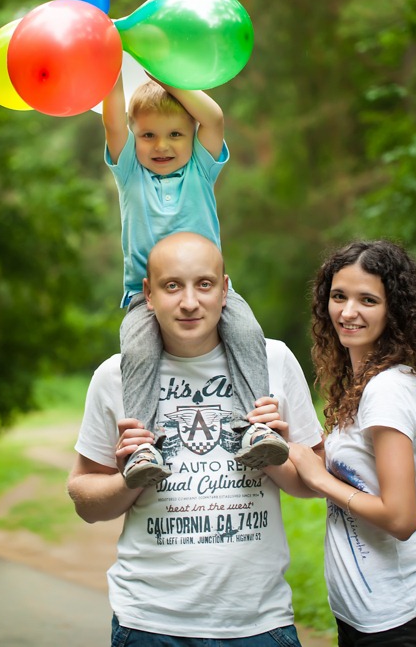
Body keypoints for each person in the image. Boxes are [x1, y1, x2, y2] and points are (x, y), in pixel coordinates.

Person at [68, 231, 324, 646]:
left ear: (225, 290)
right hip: (149, 624)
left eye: (204, 284)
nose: (190, 302)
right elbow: (85, 502)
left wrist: (276, 455)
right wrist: (126, 479)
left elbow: (315, 484)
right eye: (173, 286)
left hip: (259, 623)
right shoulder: (114, 376)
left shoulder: (271, 360)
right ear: (148, 295)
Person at [102, 75, 289, 488]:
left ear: (192, 137)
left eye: (175, 134)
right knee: (138, 350)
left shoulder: (201, 170)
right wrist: (111, 62)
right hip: (144, 297)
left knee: (246, 330)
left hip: (212, 291)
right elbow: (113, 121)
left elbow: (215, 116)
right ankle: (142, 447)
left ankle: (256, 426)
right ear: (134, 138)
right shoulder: (130, 172)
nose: (162, 145)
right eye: (148, 135)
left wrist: (165, 73)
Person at [289, 239, 416, 646]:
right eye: (339, 296)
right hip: (363, 619)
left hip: (399, 622)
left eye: (367, 300)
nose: (347, 312)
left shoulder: (387, 390)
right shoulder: (362, 386)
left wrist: (321, 479)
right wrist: (278, 442)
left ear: (393, 310)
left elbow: (400, 518)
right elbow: (336, 478)